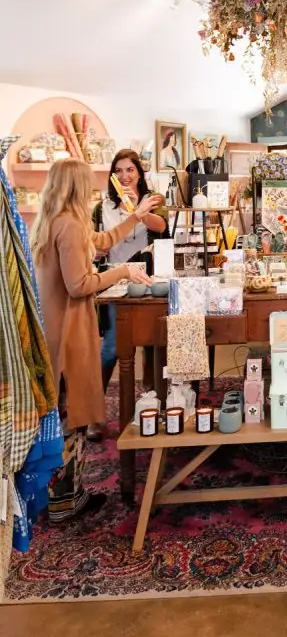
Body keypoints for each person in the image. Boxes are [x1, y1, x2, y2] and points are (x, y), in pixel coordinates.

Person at [32, 158, 162, 523]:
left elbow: (102, 242)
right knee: (69, 409)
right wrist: (122, 271)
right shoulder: (70, 226)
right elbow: (80, 285)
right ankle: (65, 498)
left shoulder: (52, 222)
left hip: (55, 328)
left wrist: (134, 216)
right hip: (70, 329)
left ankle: (59, 492)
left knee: (58, 409)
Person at [90, 149, 169, 440]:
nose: (125, 176)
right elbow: (93, 239)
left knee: (151, 342)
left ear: (139, 174)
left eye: (130, 170)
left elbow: (162, 227)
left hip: (147, 276)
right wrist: (96, 249)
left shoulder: (153, 200)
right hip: (114, 279)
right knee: (111, 347)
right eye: (119, 170)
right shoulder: (102, 208)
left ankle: (150, 403)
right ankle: (94, 413)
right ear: (113, 174)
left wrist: (138, 211)